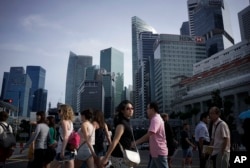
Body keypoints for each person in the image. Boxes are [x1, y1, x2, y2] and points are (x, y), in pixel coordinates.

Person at [100, 100, 135, 168]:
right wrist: (106, 157)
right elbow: (115, 141)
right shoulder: (121, 124)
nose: (131, 110)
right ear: (122, 111)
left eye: (132, 108)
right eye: (128, 108)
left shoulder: (127, 122)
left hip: (125, 155)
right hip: (120, 156)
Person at [133, 102, 168, 168]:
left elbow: (149, 134)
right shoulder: (155, 119)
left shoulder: (155, 119)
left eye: (147, 108)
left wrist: (135, 143)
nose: (147, 110)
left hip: (158, 152)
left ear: (152, 109)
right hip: (155, 153)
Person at [54, 104, 75, 168]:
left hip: (62, 148)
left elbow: (66, 136)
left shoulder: (64, 122)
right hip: (70, 148)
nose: (58, 112)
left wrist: (62, 151)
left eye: (59, 111)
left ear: (64, 111)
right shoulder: (70, 122)